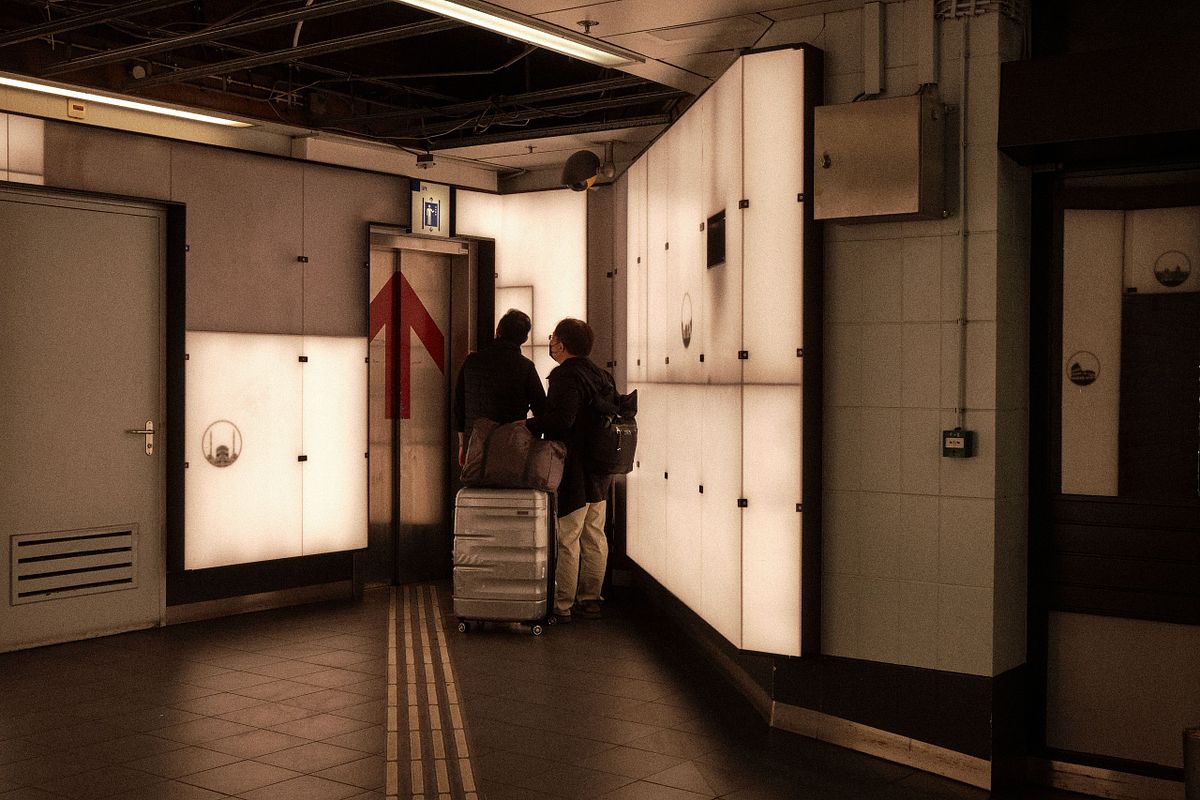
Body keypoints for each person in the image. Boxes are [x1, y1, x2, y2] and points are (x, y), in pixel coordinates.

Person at [528, 318, 615, 623]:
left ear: (561, 345)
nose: (550, 343)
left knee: (568, 536)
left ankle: (562, 604)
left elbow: (561, 420)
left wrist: (528, 425)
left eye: (552, 339)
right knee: (594, 533)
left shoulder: (566, 376)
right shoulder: (602, 376)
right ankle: (590, 599)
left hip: (574, 465)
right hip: (601, 469)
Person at [453, 309, 546, 466]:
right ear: (524, 339)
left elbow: (459, 406)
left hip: (475, 448)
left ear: (498, 331)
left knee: (476, 488)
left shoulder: (472, 362)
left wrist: (463, 445)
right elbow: (542, 411)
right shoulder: (526, 367)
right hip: (511, 448)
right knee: (510, 489)